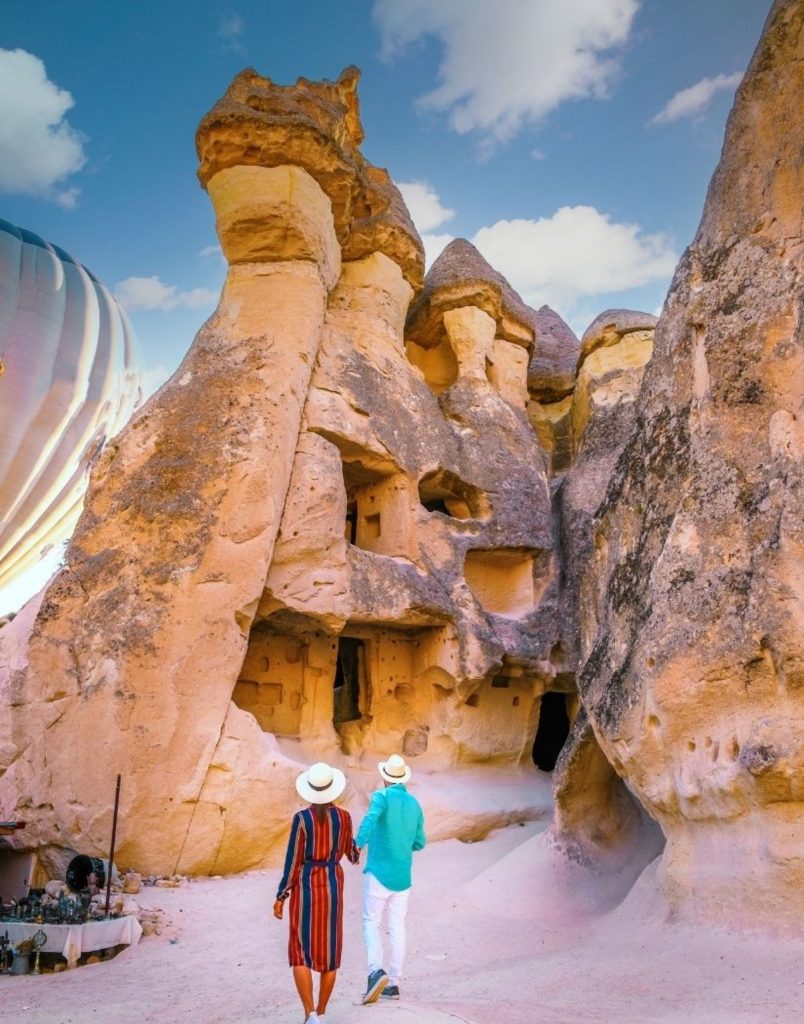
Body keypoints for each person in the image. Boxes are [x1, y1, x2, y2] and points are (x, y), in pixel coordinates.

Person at [273, 762, 360, 1023]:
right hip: (333, 886)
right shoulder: (344, 817)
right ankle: (321, 1013)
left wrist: (281, 895)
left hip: (307, 887)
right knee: (330, 952)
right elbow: (353, 855)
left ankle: (310, 1014)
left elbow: (293, 861)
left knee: (299, 950)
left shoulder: (302, 819)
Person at [355, 753, 426, 1004]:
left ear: (385, 777)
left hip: (378, 872)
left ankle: (375, 971)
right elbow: (420, 842)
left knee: (371, 921)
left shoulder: (381, 797)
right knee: (397, 926)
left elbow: (370, 819)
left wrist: (357, 844)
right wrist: (402, 845)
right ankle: (394, 983)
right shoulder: (415, 804)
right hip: (403, 877)